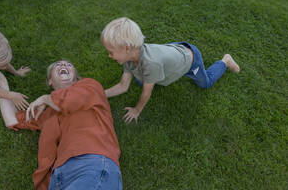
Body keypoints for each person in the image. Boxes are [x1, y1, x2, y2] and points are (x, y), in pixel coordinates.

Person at [0, 60, 123, 190]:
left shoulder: (91, 87)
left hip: (93, 166)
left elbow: (69, 101)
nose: (63, 66)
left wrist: (46, 98)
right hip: (59, 181)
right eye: (57, 65)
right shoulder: (46, 113)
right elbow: (11, 120)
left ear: (76, 77)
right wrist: (3, 85)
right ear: (50, 81)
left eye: (69, 65)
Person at [101, 17, 240, 123]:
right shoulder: (130, 57)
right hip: (172, 52)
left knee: (206, 83)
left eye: (111, 52)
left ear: (127, 48)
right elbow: (123, 86)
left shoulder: (151, 64)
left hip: (190, 60)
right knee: (142, 80)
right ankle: (160, 72)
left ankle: (225, 61)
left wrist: (137, 110)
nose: (109, 55)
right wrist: (100, 94)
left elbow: (146, 93)